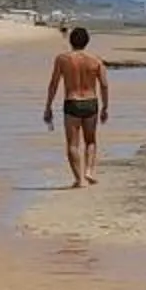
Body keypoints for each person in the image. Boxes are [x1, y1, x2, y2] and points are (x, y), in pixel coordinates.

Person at [43, 26, 110, 188]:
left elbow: (53, 84)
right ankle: (89, 171)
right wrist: (105, 107)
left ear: (70, 40)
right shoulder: (96, 60)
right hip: (90, 102)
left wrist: (48, 106)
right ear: (87, 41)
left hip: (72, 102)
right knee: (91, 141)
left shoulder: (62, 59)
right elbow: (104, 85)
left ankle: (79, 179)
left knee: (72, 144)